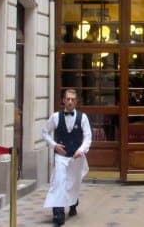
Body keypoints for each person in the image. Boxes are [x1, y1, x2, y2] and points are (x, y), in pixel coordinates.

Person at [42, 88, 92, 225]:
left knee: (73, 183)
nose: (70, 102)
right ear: (63, 100)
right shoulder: (56, 117)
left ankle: (73, 203)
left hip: (76, 157)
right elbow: (45, 132)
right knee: (59, 182)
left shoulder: (83, 118)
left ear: (76, 102)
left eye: (72, 99)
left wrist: (81, 150)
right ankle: (58, 214)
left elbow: (88, 137)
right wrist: (54, 145)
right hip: (61, 157)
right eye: (68, 99)